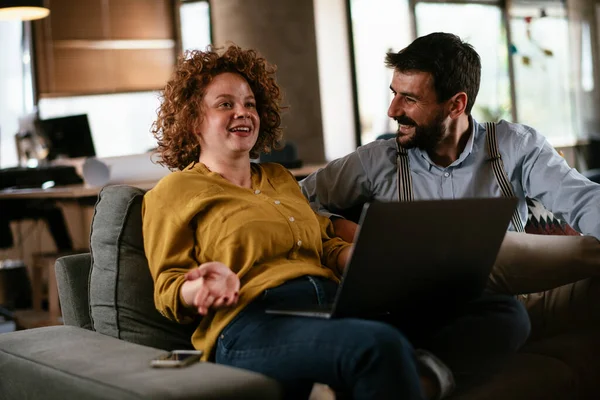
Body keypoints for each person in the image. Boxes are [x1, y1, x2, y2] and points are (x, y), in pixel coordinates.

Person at [142, 44, 530, 400]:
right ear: (194, 121)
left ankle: (421, 378)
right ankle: (401, 372)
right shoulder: (173, 191)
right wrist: (200, 289)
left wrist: (372, 258)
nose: (242, 112)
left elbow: (325, 243)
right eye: (224, 104)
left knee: (501, 311)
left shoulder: (279, 179)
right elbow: (168, 287)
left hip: (333, 305)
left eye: (249, 103)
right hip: (250, 322)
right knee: (376, 344)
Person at [300, 32, 600, 338]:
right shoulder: (375, 161)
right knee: (485, 254)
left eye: (410, 99)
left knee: (503, 258)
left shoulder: (517, 146)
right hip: (426, 309)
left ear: (456, 105)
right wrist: (343, 230)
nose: (392, 110)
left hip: (510, 300)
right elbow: (290, 203)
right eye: (394, 93)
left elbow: (583, 199)